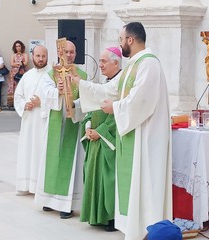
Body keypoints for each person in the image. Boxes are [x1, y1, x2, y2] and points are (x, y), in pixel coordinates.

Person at [72, 22, 172, 239]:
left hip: (146, 137)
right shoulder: (133, 66)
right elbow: (111, 90)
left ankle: (149, 227)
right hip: (134, 134)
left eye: (120, 39)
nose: (120, 43)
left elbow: (141, 101)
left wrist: (114, 107)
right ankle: (134, 225)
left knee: (146, 181)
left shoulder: (149, 64)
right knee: (136, 182)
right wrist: (82, 84)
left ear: (130, 40)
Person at [35, 40, 88, 219]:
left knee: (71, 163)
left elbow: (87, 99)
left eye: (72, 52)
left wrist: (75, 105)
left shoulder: (82, 75)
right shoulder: (52, 73)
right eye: (66, 52)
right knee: (52, 161)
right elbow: (45, 93)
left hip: (73, 124)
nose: (69, 55)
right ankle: (49, 200)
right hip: (56, 123)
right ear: (60, 53)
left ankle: (67, 204)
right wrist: (57, 91)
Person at [80, 47, 122, 231]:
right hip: (95, 138)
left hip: (108, 140)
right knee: (93, 176)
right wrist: (88, 127)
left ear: (116, 63)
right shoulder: (104, 85)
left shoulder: (121, 86)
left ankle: (110, 217)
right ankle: (95, 216)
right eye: (100, 61)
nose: (101, 65)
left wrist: (102, 131)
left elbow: (120, 113)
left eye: (104, 61)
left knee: (108, 178)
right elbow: (91, 108)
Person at [14, 45, 51, 196]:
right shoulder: (27, 75)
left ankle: (38, 187)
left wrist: (40, 103)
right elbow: (18, 96)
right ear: (33, 56)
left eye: (43, 56)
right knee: (27, 150)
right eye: (38, 56)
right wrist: (25, 105)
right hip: (29, 120)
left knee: (39, 152)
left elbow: (57, 98)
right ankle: (24, 184)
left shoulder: (52, 74)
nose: (41, 59)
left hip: (43, 120)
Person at [7, 40, 29, 108]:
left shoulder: (25, 55)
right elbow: (12, 64)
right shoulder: (13, 55)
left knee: (21, 87)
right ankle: (13, 104)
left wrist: (16, 63)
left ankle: (21, 103)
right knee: (13, 88)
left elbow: (25, 63)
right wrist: (20, 63)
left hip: (22, 73)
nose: (18, 48)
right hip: (13, 74)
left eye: (19, 46)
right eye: (16, 46)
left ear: (21, 47)